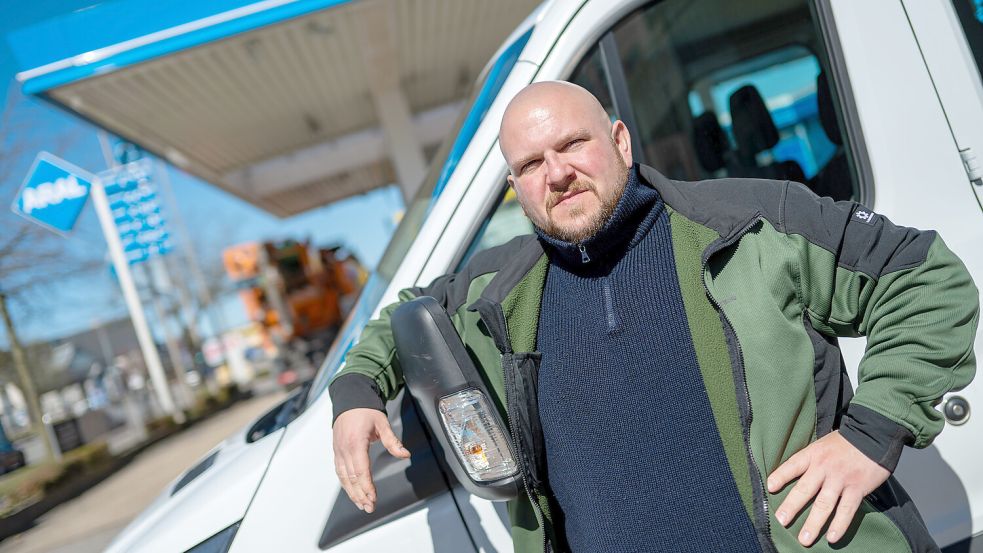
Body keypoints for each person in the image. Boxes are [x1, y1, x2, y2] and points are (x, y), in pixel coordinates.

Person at [329, 81, 979, 552]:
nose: (555, 174)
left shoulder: (750, 222)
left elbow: (922, 275)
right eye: (530, 165)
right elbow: (405, 318)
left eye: (571, 144)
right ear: (515, 186)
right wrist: (357, 391)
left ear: (617, 139)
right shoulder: (497, 289)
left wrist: (872, 432)